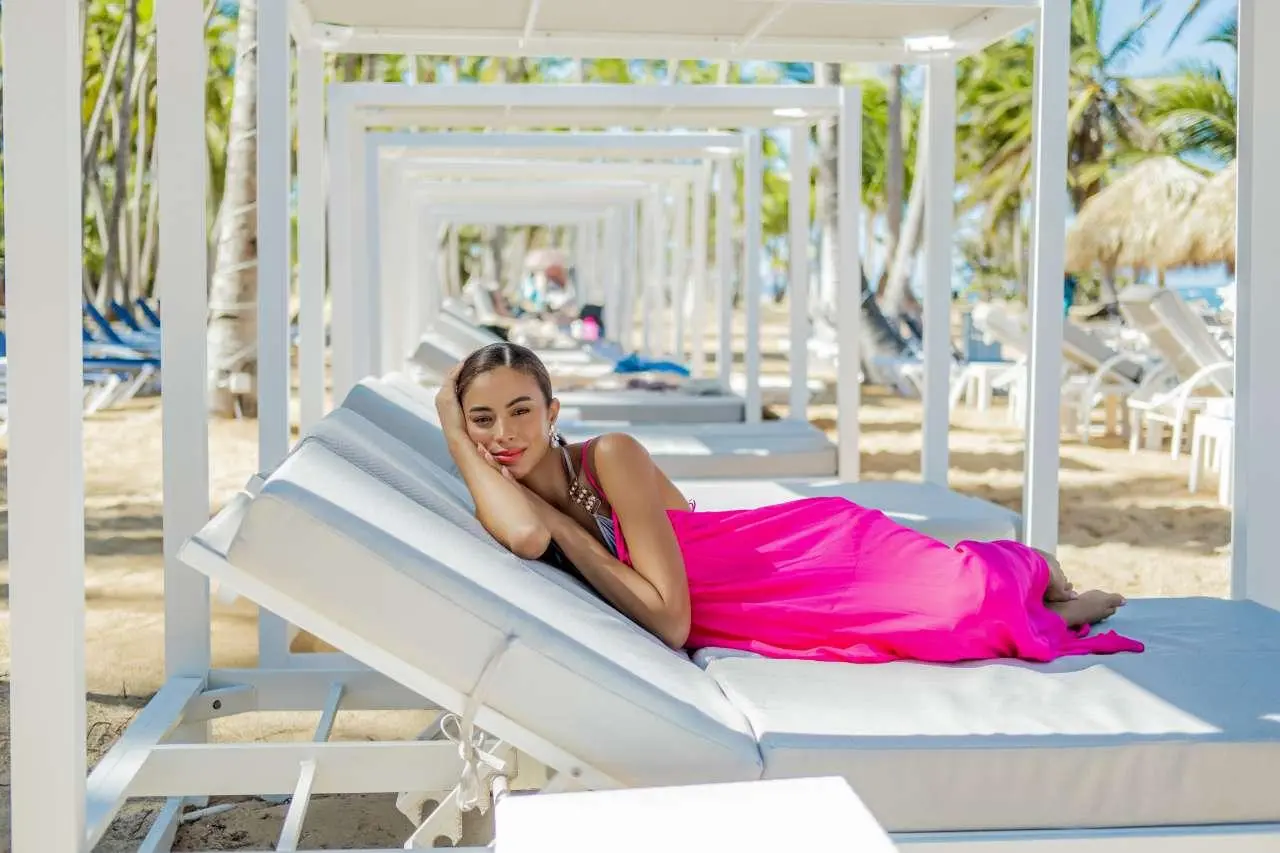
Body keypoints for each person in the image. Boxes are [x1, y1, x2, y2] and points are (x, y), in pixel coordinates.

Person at [435, 342, 1143, 664]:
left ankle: (1031, 566)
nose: (505, 435)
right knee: (952, 628)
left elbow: (672, 619)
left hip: (791, 556)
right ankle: (1038, 596)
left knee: (966, 599)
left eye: (521, 411)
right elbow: (527, 536)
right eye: (482, 420)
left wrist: (565, 529)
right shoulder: (503, 495)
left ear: (553, 411)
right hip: (754, 606)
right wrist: (450, 427)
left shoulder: (610, 455)